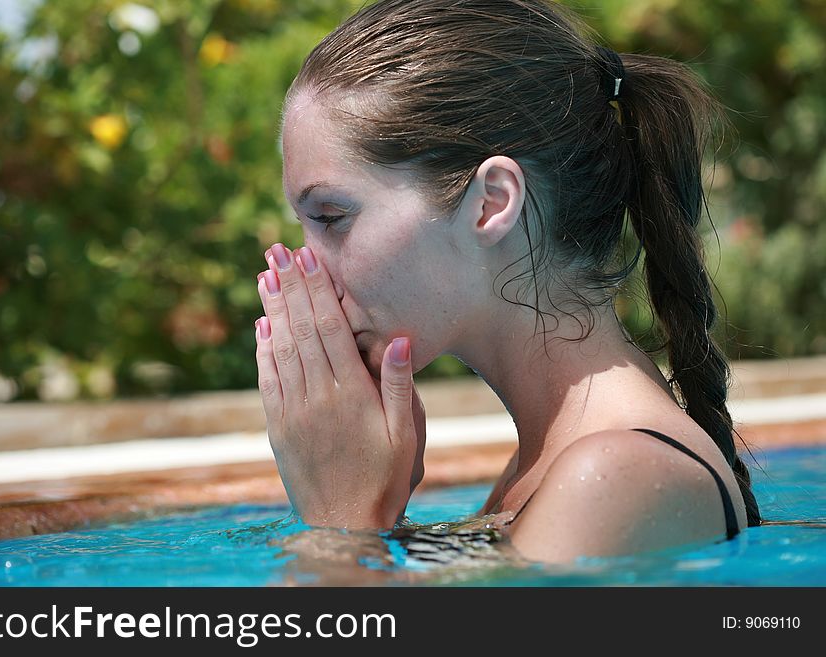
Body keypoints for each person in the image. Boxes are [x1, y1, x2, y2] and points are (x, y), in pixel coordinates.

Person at [252, 0, 762, 565]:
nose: (309, 269)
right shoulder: (546, 467)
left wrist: (340, 523)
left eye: (331, 217)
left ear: (492, 203)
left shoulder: (616, 476)